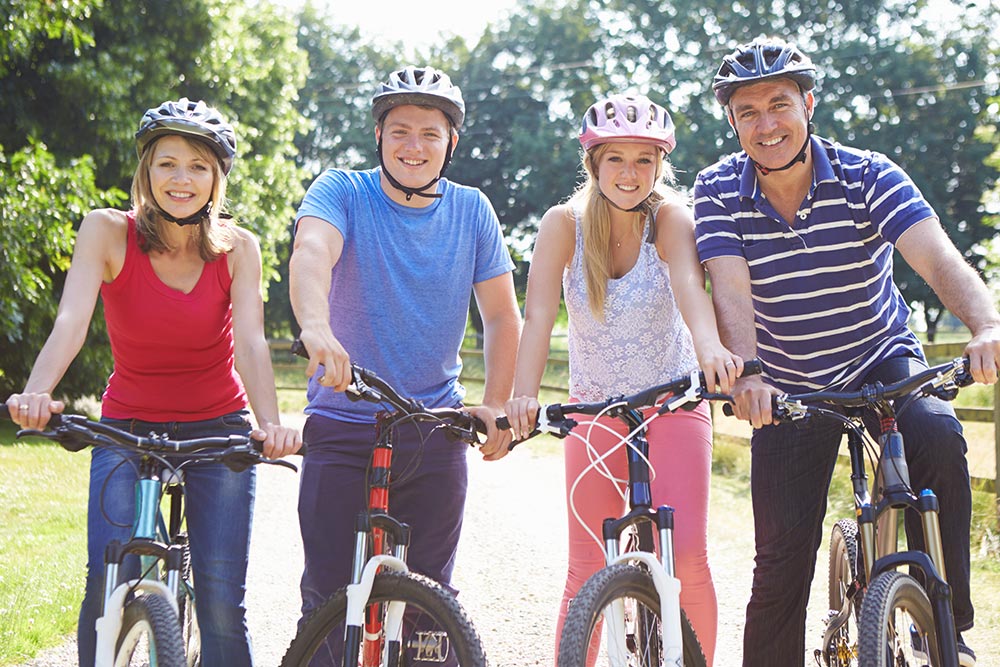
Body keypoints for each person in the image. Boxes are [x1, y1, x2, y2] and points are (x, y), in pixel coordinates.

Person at [694, 37, 1000, 667]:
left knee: (938, 433)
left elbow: (936, 258)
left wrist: (986, 325)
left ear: (808, 104)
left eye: (779, 105)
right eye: (747, 112)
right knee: (779, 564)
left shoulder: (869, 174)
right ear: (732, 122)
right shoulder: (718, 188)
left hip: (878, 357)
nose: (766, 124)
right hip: (785, 382)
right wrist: (749, 373)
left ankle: (948, 626)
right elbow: (730, 288)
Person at [5, 98, 301, 666]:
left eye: (198, 166)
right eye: (167, 163)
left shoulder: (239, 249)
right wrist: (36, 392)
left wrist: (270, 427)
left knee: (220, 600)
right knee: (108, 578)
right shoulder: (106, 232)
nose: (181, 179)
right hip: (127, 426)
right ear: (146, 171)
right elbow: (71, 322)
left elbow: (251, 344)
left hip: (218, 430)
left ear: (217, 179)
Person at [288, 65, 521, 663]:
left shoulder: (473, 211)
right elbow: (313, 249)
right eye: (399, 132)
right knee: (327, 599)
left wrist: (494, 403)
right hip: (342, 419)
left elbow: (500, 315)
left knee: (429, 604)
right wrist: (316, 327)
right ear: (379, 137)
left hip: (434, 426)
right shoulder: (342, 190)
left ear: (451, 143)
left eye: (429, 133)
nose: (413, 146)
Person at [504, 93, 743, 666]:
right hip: (594, 408)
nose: (630, 173)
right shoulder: (563, 225)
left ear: (660, 165)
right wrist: (524, 395)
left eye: (644, 160)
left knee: (686, 558)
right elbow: (537, 315)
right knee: (586, 565)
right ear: (593, 163)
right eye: (616, 159)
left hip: (675, 400)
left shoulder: (670, 217)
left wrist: (711, 349)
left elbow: (690, 285)